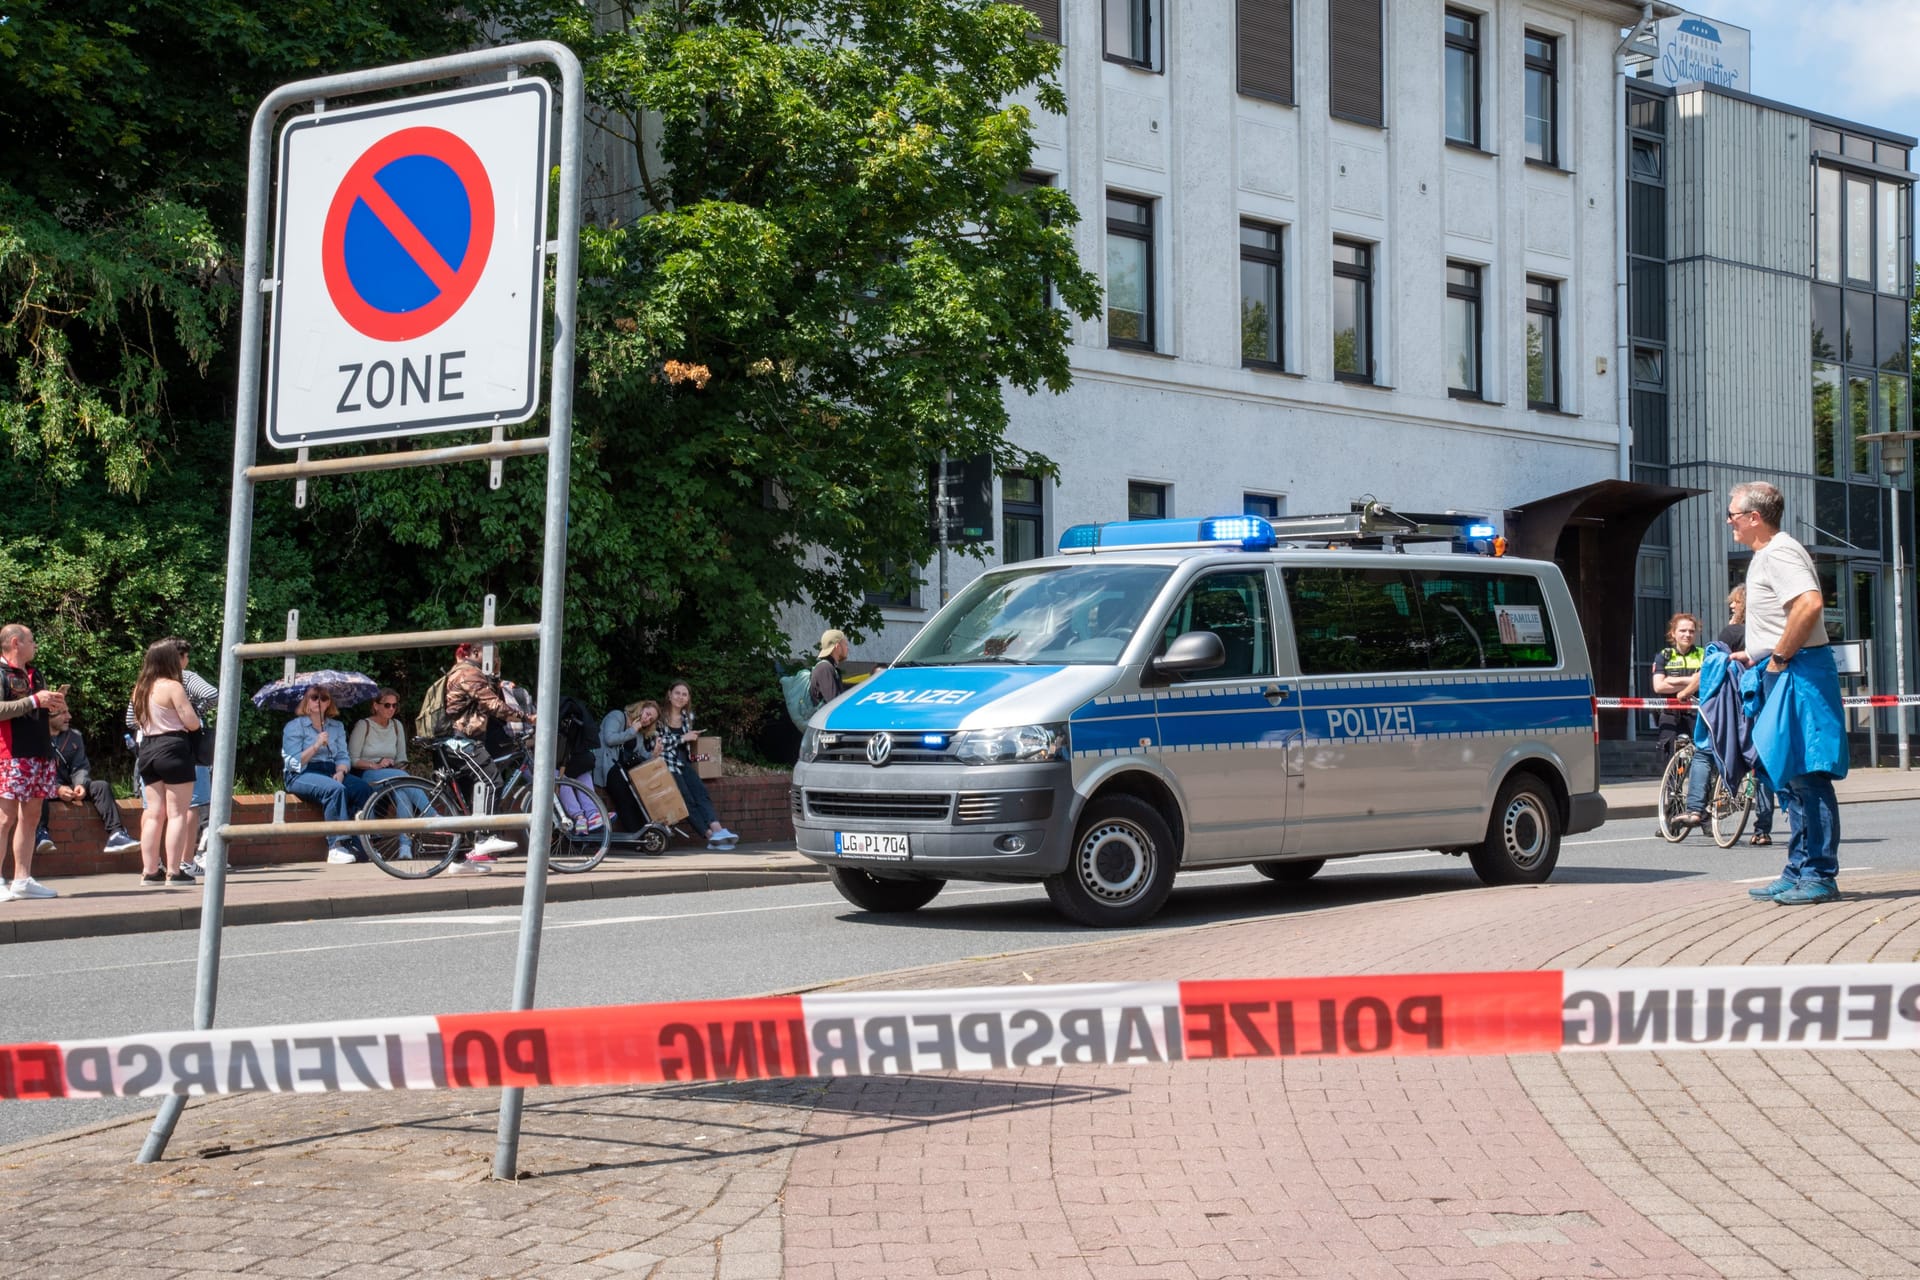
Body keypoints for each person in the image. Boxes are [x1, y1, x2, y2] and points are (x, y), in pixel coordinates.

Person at [1727, 481, 1847, 906]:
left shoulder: (1779, 552)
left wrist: (1778, 657)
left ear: (1755, 518)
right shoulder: (1767, 554)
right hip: (1784, 667)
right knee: (1788, 774)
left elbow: (1809, 604)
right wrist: (1756, 653)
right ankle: (1798, 869)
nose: (1730, 522)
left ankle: (1818, 875)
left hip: (1798, 670)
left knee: (1807, 774)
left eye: (1734, 515)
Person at [125, 637, 217, 875]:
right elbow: (192, 722)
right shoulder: (173, 687)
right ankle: (175, 871)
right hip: (174, 747)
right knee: (177, 813)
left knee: (153, 813)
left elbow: (132, 721)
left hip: (147, 750)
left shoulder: (140, 688)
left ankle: (149, 870)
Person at [442, 643, 532, 867]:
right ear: (475, 653)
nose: (495, 658)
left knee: (469, 801)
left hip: (461, 740)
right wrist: (527, 717)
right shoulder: (468, 672)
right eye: (492, 654)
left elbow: (490, 695)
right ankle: (484, 838)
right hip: (461, 741)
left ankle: (462, 862)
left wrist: (497, 674)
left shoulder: (469, 672)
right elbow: (494, 706)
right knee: (491, 780)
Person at [0, 623, 66, 900]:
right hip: (10, 754)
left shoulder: (33, 673)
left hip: (39, 753)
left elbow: (34, 707)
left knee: (32, 817)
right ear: (16, 642)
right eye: (32, 640)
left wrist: (51, 705)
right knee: (4, 818)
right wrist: (35, 701)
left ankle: (22, 879)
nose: (35, 645)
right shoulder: (1, 673)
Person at [280, 687, 373, 866]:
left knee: (362, 788)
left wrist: (341, 771)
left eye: (324, 698)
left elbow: (343, 756)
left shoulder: (336, 726)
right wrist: (316, 745)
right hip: (302, 773)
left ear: (329, 702)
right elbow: (292, 762)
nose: (319, 701)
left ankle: (362, 844)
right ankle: (336, 847)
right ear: (306, 701)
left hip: (331, 770)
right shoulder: (294, 726)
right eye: (314, 698)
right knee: (335, 790)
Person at [36, 705, 140, 857]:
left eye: (68, 711)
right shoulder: (35, 739)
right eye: (63, 713)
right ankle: (41, 833)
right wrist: (56, 788)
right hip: (47, 787)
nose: (69, 717)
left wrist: (81, 784)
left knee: (101, 787)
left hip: (70, 787)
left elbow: (80, 765)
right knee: (38, 794)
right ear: (48, 717)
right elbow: (36, 773)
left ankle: (117, 834)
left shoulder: (74, 736)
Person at [1716, 584, 1775, 847]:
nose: (1732, 605)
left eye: (1736, 602)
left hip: (1738, 708)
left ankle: (1710, 806)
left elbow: (1716, 667)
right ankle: (1762, 829)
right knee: (1762, 768)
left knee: (1715, 750)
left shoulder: (1732, 632)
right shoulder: (1770, 635)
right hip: (1766, 704)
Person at [658, 679, 738, 849]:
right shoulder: (659, 716)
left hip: (683, 762)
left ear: (688, 699)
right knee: (686, 799)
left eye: (684, 694)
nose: (680, 697)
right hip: (666, 765)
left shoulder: (688, 717)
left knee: (701, 792)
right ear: (669, 694)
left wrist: (699, 755)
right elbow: (654, 744)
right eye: (677, 693)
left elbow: (687, 746)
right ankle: (709, 837)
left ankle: (718, 830)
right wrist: (682, 738)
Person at [349, 687, 420, 858]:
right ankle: (433, 815)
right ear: (376, 706)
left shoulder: (397, 726)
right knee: (404, 780)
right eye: (387, 705)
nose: (391, 709)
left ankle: (405, 846)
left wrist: (396, 766)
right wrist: (376, 765)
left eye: (394, 706)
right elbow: (352, 759)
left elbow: (402, 758)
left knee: (402, 790)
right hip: (368, 774)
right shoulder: (364, 725)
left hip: (393, 774)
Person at [1651, 612, 1703, 756]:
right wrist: (1692, 680)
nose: (1687, 634)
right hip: (1670, 712)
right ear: (1673, 633)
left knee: (1701, 752)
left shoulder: (1703, 654)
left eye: (1691, 631)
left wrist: (1673, 680)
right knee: (1667, 751)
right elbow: (1659, 687)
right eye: (1682, 630)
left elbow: (1705, 682)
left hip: (1696, 712)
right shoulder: (1664, 655)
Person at [811, 629, 848, 710]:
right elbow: (834, 703)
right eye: (845, 644)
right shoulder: (824, 668)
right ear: (837, 647)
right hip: (820, 721)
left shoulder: (830, 667)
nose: (847, 648)